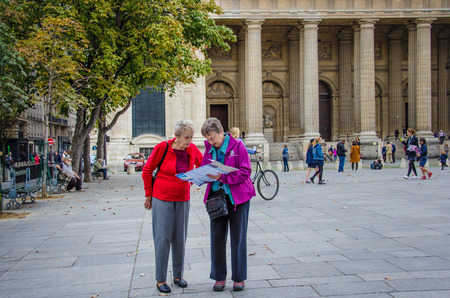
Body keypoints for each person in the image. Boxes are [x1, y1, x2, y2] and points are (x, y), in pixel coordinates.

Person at [141, 119, 203, 294]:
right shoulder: (163, 148)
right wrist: (148, 194)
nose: (189, 141)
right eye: (186, 137)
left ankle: (178, 276)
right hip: (162, 198)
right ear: (176, 136)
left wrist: (190, 182)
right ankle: (160, 279)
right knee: (162, 238)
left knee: (180, 238)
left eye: (191, 137)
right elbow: (147, 171)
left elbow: (202, 164)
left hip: (183, 199)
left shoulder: (191, 149)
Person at [200, 117, 255, 292]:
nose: (210, 142)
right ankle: (219, 277)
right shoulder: (209, 149)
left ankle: (239, 278)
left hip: (238, 199)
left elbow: (246, 172)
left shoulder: (238, 146)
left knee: (238, 238)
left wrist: (222, 176)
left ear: (221, 132)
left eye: (212, 138)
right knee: (217, 238)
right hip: (216, 198)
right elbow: (204, 167)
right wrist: (202, 175)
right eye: (208, 139)